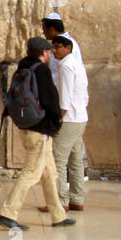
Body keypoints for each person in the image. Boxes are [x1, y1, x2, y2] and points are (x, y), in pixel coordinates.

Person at [0, 38, 73, 231]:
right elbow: (50, 99)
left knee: (49, 173)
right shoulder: (41, 70)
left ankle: (58, 215)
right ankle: (8, 213)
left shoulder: (22, 67)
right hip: (40, 129)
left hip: (27, 127)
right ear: (45, 52)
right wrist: (56, 122)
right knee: (31, 173)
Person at [49, 34, 89, 213]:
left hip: (69, 118)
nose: (55, 51)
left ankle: (60, 201)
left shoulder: (65, 66)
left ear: (68, 48)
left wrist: (58, 120)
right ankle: (77, 199)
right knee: (75, 160)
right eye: (54, 47)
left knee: (58, 160)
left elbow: (64, 98)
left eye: (58, 47)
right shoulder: (77, 64)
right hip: (80, 117)